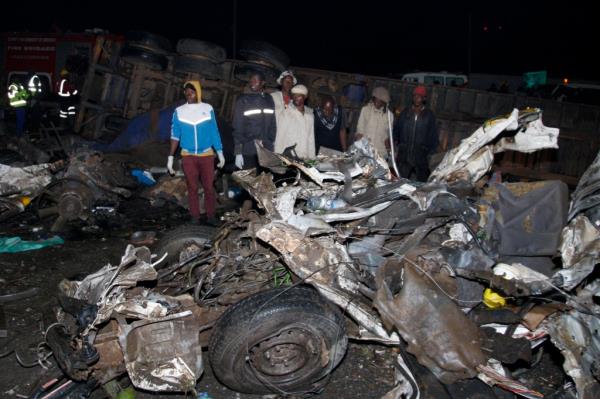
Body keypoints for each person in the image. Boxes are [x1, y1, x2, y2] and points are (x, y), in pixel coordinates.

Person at [168, 81, 225, 225]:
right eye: (186, 92)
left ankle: (211, 216)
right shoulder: (179, 111)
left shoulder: (207, 108)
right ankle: (195, 217)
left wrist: (220, 151)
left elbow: (214, 131)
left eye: (192, 92)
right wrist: (170, 156)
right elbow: (175, 135)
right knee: (192, 187)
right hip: (188, 156)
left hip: (206, 155)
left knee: (209, 187)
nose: (189, 95)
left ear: (198, 92)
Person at [393, 85, 438, 182]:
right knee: (399, 183)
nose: (417, 98)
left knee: (421, 184)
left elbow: (433, 136)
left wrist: (430, 154)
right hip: (404, 155)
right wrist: (396, 147)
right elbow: (396, 130)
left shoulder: (429, 116)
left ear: (424, 98)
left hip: (421, 156)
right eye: (415, 96)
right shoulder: (405, 113)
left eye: (420, 96)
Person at [232, 71, 277, 169]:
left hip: (266, 149)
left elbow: (273, 123)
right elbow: (237, 127)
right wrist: (238, 152)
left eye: (255, 80)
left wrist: (272, 142)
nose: (252, 82)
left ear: (263, 82)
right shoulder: (243, 100)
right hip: (248, 149)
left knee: (264, 180)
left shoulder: (269, 99)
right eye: (251, 80)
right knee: (248, 181)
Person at [274, 84, 315, 158]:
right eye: (294, 96)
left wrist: (312, 158)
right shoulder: (286, 114)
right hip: (289, 157)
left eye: (299, 96)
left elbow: (311, 139)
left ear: (305, 97)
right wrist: (278, 158)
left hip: (305, 157)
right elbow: (279, 138)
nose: (296, 98)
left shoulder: (310, 115)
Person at [355, 87, 393, 155]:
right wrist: (359, 148)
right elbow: (360, 131)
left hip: (380, 153)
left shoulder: (389, 116)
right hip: (364, 151)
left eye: (380, 101)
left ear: (384, 102)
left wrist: (389, 153)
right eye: (375, 99)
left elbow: (387, 137)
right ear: (373, 98)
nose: (377, 102)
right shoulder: (365, 110)